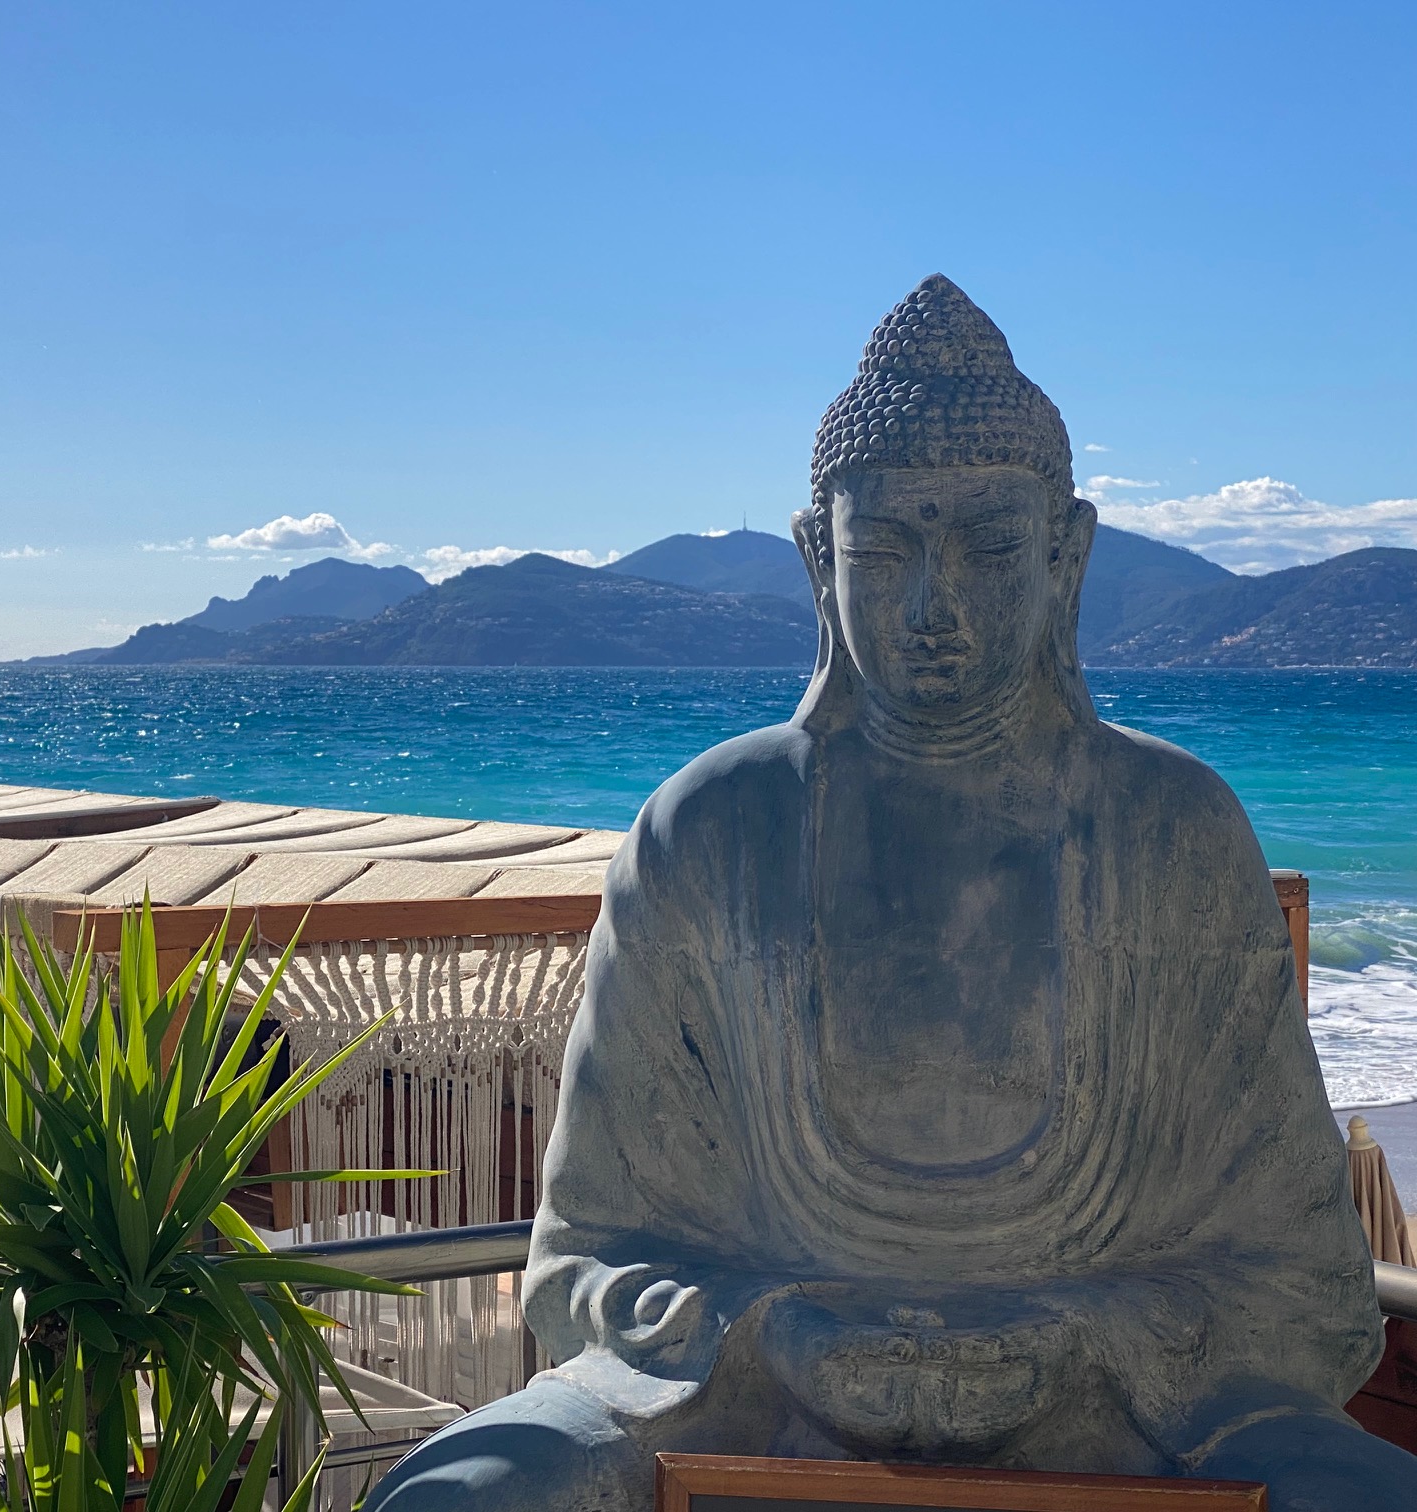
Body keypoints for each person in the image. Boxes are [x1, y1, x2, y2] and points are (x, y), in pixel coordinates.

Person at [366, 276, 1415, 1512]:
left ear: (1068, 554)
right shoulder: (710, 830)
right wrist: (773, 1334)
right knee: (462, 1489)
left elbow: (1308, 1292)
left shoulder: (1173, 833)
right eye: (884, 552)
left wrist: (1082, 1341)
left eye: (990, 549)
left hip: (1125, 1417)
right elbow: (582, 1259)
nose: (934, 609)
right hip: (745, 1401)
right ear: (819, 558)